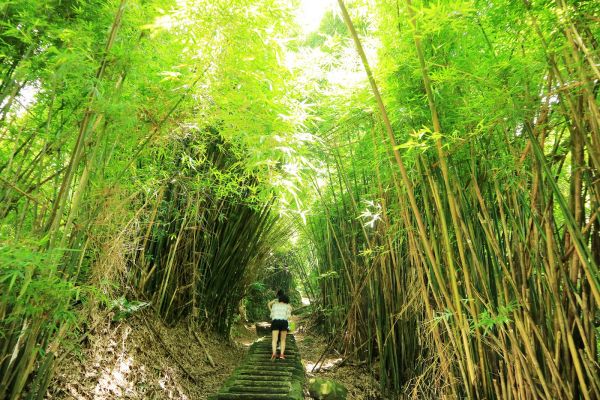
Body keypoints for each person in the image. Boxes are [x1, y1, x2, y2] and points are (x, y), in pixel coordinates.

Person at [268, 292, 292, 360]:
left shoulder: (275, 305)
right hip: (284, 322)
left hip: (275, 322)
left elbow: (272, 314)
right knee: (283, 340)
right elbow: (289, 317)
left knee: (274, 340)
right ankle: (281, 355)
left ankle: (274, 353)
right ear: (287, 300)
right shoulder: (288, 306)